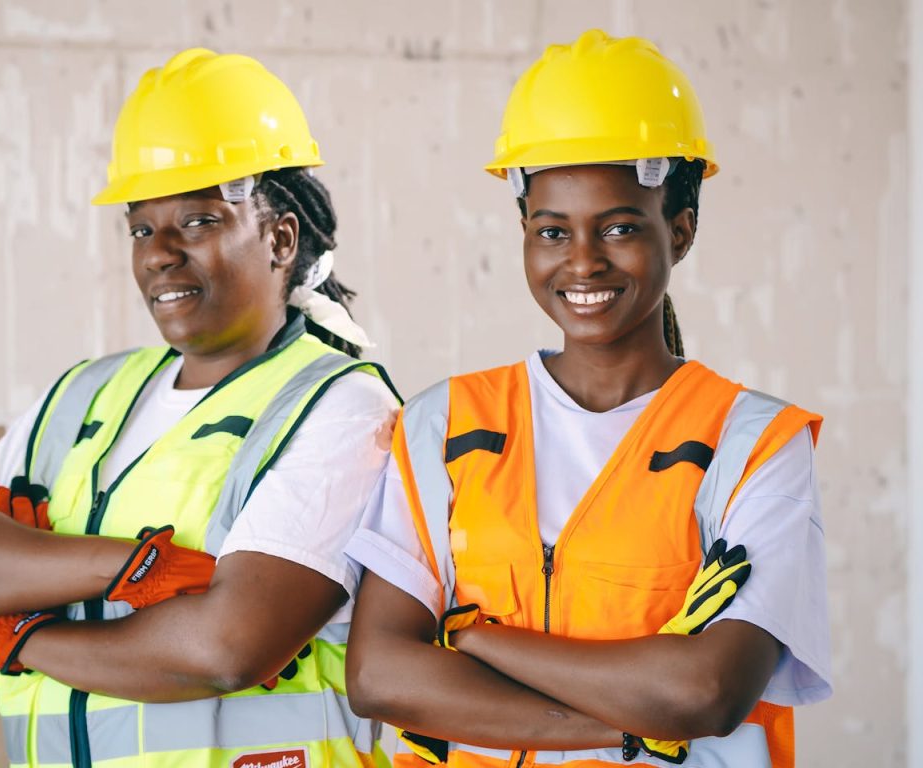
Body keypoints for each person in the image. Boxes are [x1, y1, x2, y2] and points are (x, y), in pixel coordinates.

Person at [344, 29, 831, 768]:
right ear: (524, 234)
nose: (581, 262)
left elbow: (705, 691)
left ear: (682, 229)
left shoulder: (754, 445)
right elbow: (378, 675)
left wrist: (474, 636)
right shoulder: (444, 424)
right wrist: (630, 725)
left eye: (620, 227)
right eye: (552, 231)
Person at [0, 48, 400, 768]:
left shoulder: (341, 407)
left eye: (198, 221)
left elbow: (224, 646)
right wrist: (138, 566)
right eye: (142, 228)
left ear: (279, 238)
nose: (160, 255)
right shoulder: (83, 395)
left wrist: (27, 632)